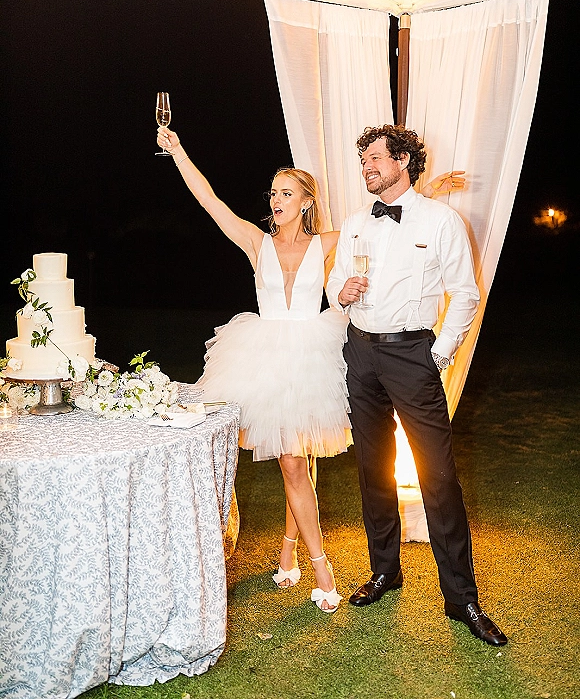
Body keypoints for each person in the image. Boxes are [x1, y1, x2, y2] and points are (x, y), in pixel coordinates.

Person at [157, 124, 463, 615]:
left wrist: (431, 192)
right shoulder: (255, 242)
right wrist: (178, 151)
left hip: (313, 358)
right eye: (273, 192)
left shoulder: (329, 243)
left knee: (299, 460)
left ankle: (288, 548)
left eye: (285, 192)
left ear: (304, 201)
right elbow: (209, 201)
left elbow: (392, 228)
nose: (275, 199)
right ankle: (321, 567)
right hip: (263, 359)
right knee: (293, 462)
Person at [326, 124, 508, 646]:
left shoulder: (443, 220)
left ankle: (462, 599)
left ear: (403, 160)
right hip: (360, 352)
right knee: (372, 468)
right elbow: (337, 284)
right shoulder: (357, 223)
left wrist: (437, 353)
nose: (366, 166)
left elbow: (465, 295)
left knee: (438, 477)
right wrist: (345, 292)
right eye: (362, 159)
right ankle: (385, 571)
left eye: (375, 158)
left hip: (413, 355)